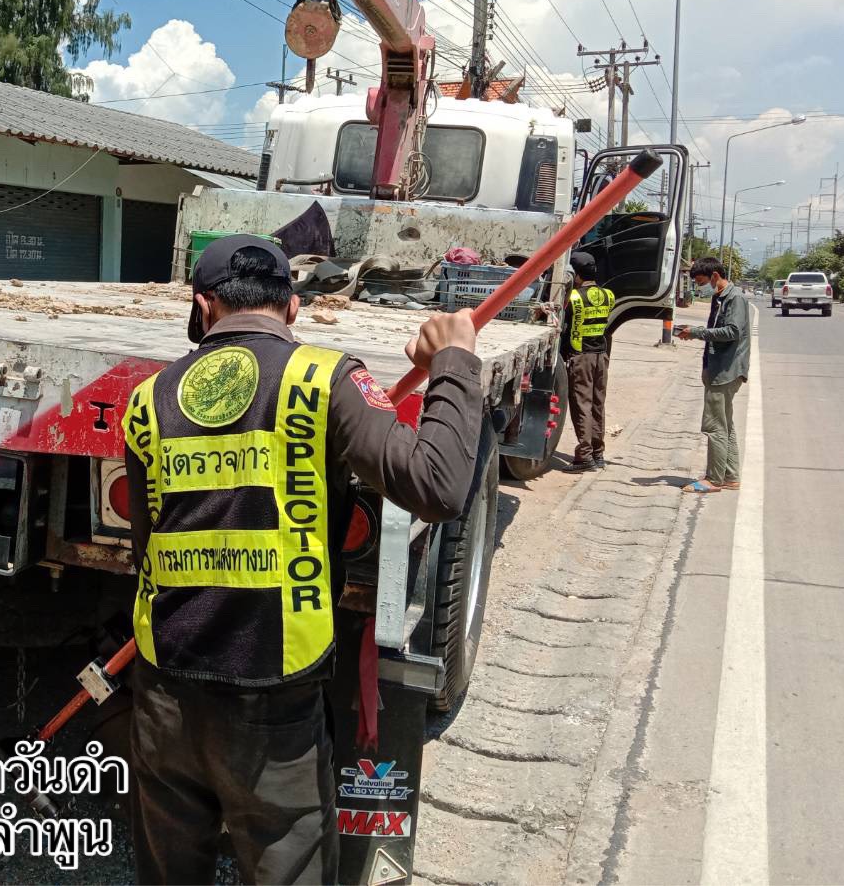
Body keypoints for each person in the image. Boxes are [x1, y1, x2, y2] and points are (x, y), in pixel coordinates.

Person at [122, 234, 484, 885]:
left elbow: (147, 550)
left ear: (202, 306)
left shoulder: (147, 397)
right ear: (292, 308)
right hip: (274, 691)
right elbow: (436, 485)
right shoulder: (323, 378)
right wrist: (453, 361)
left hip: (162, 687)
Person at [676, 255, 751, 492]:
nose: (701, 288)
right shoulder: (721, 297)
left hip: (726, 370)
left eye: (702, 282)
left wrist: (697, 332)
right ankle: (730, 476)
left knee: (715, 426)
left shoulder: (734, 298)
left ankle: (714, 479)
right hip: (720, 368)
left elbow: (732, 331)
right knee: (725, 424)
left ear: (715, 276)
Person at [560, 252, 616, 473]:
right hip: (601, 356)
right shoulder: (608, 295)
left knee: (582, 405)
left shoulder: (573, 297)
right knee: (597, 404)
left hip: (581, 356)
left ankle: (584, 456)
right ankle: (597, 453)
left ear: (576, 274)